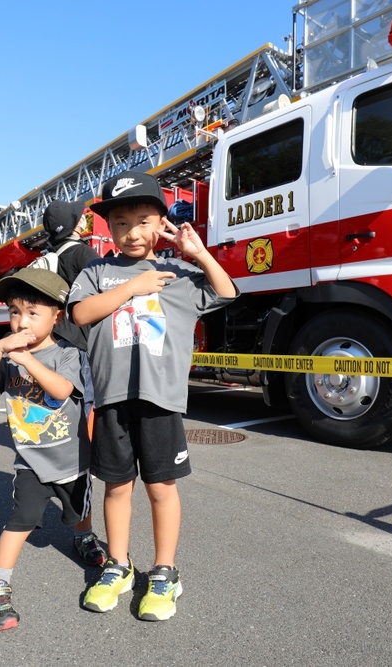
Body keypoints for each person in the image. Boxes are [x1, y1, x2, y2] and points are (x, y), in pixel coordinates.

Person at [69, 170, 238, 621]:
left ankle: (165, 572)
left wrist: (199, 253)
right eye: (120, 223)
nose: (132, 232)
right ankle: (118, 566)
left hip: (161, 399)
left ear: (162, 221)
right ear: (108, 228)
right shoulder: (96, 272)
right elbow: (82, 313)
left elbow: (226, 292)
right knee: (116, 485)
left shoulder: (179, 273)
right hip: (111, 399)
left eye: (144, 220)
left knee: (161, 486)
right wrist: (129, 288)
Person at [0, 267, 107, 632]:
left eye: (33, 312)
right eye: (15, 312)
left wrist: (27, 360)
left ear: (55, 316)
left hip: (73, 457)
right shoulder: (8, 353)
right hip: (30, 460)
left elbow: (62, 390)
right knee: (21, 519)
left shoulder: (68, 354)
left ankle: (83, 537)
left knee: (79, 508)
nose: (22, 321)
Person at [41, 200, 99, 351]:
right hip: (80, 338)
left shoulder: (51, 254)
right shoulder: (83, 253)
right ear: (75, 224)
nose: (83, 218)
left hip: (56, 332)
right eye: (80, 216)